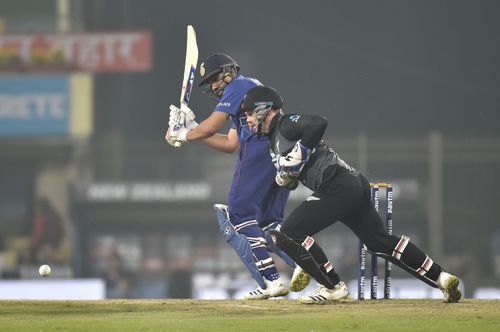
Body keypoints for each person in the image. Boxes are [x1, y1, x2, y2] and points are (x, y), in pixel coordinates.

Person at [240, 85, 462, 304]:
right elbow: (294, 175)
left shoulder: (285, 124)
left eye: (250, 113)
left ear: (263, 109)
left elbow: (319, 123)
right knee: (378, 242)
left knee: (288, 232)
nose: (248, 119)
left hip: (337, 185)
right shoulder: (272, 141)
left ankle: (333, 287)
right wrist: (286, 178)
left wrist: (300, 153)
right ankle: (442, 278)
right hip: (352, 184)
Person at [166, 54, 309, 299]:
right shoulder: (247, 94)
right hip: (278, 151)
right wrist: (192, 129)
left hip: (258, 150)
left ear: (229, 71)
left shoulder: (239, 85)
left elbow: (211, 127)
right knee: (269, 222)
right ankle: (306, 263)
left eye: (214, 78)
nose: (213, 86)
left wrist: (183, 135)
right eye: (209, 82)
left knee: (239, 213)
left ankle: (272, 280)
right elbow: (229, 143)